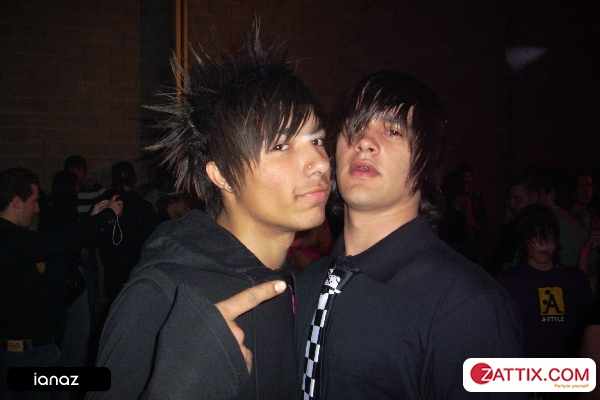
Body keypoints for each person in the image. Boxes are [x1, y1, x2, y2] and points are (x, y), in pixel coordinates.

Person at [89, 22, 330, 400]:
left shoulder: (292, 281)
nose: (319, 162)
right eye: (282, 146)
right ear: (222, 175)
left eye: (316, 140)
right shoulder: (160, 295)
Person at [295, 71, 523, 399]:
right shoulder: (305, 284)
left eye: (393, 131)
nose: (364, 141)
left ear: (426, 162)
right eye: (355, 127)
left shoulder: (469, 306)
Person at [0, 167, 121, 399]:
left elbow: (59, 241)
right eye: (33, 201)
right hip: (28, 356)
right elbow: (57, 242)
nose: (37, 208)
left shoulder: (12, 240)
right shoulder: (10, 240)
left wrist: (92, 219)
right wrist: (105, 217)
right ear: (16, 202)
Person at [497, 204, 594, 359]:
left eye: (548, 234)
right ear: (522, 241)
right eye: (534, 235)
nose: (543, 242)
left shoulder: (575, 280)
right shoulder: (508, 283)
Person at [97, 161, 156, 305]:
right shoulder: (142, 205)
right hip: (134, 268)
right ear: (133, 179)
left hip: (112, 267)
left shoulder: (104, 201)